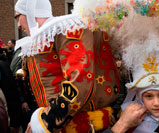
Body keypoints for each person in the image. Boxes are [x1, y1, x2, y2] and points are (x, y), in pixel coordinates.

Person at [14, 0, 120, 132]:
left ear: (30, 12)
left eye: (18, 16)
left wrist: (49, 120)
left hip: (78, 125)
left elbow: (78, 82)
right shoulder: (46, 36)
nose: (18, 24)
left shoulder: (65, 29)